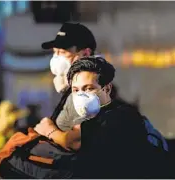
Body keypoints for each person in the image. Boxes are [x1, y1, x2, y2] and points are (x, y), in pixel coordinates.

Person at [34, 56, 173, 178]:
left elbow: (73, 141)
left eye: (88, 88)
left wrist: (48, 130)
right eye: (76, 90)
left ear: (106, 89)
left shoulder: (120, 115)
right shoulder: (94, 117)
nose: (81, 95)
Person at [41, 22, 97, 131]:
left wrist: (49, 131)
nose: (56, 58)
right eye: (55, 52)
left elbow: (78, 141)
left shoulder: (87, 94)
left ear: (85, 54)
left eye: (62, 52)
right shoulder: (70, 92)